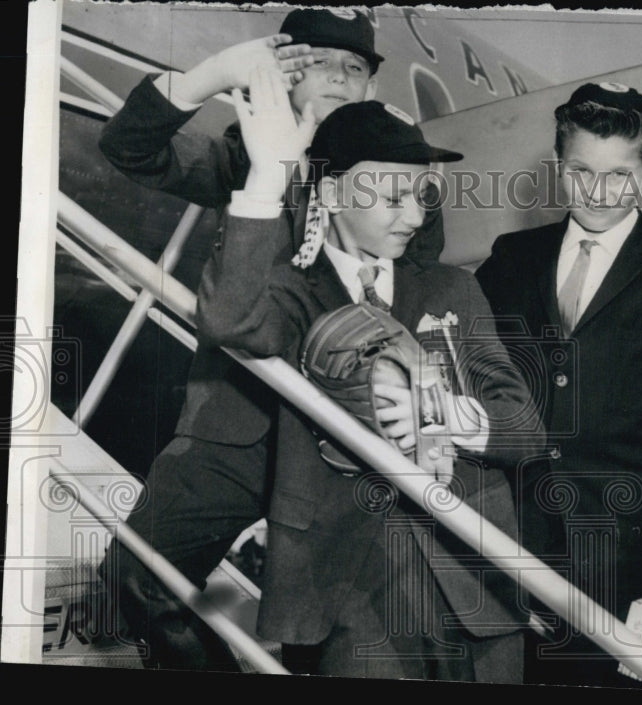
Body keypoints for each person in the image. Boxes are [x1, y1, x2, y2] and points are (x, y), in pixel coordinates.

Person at [97, 8, 443, 672]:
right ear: (284, 74)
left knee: (325, 635)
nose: (340, 80)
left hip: (340, 442)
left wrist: (388, 162)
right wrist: (208, 77)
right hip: (233, 427)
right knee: (134, 577)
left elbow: (421, 266)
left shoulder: (401, 171)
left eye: (355, 68)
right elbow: (130, 148)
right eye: (318, 62)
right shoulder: (245, 151)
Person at [195, 65, 542, 681]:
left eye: (420, 195)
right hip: (346, 594)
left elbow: (523, 427)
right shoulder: (291, 294)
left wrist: (438, 415)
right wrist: (265, 182)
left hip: (473, 588)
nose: (412, 215)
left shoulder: (453, 288)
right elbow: (229, 320)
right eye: (391, 198)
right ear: (330, 195)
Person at [475, 82, 642, 687]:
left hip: (630, 557)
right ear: (557, 166)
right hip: (510, 538)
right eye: (580, 170)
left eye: (619, 175)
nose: (598, 191)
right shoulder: (511, 258)